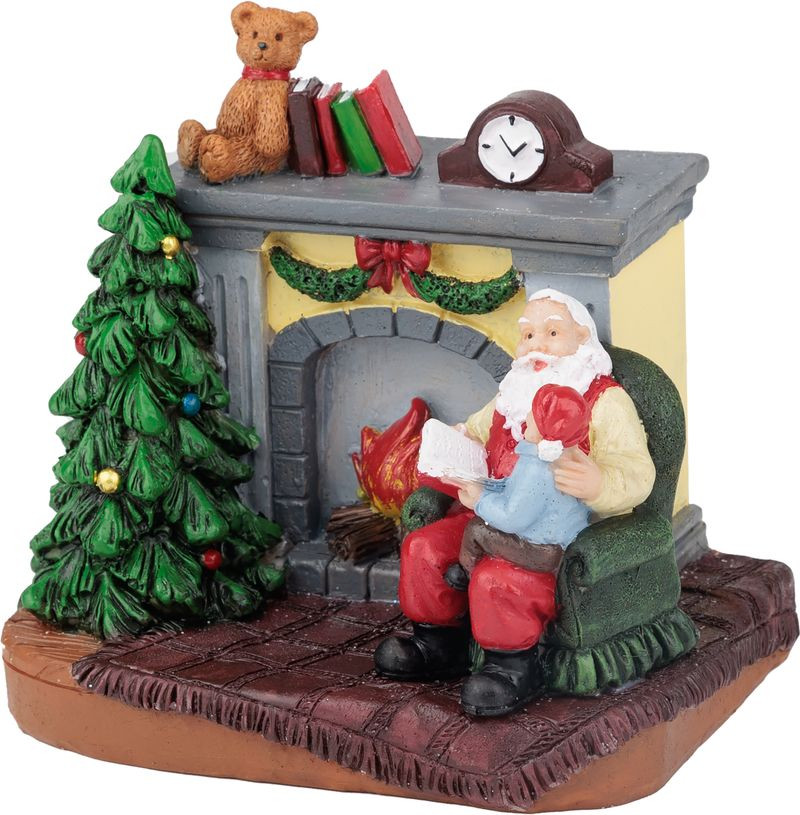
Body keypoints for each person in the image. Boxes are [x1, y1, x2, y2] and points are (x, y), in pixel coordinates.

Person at [374, 288, 657, 717]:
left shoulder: (604, 400)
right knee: (423, 548)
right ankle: (436, 642)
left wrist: (600, 482)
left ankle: (510, 667)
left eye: (552, 333)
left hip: (547, 531)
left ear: (582, 338)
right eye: (528, 335)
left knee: (499, 578)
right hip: (493, 505)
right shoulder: (514, 393)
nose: (536, 345)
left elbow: (638, 472)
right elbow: (477, 428)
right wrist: (457, 441)